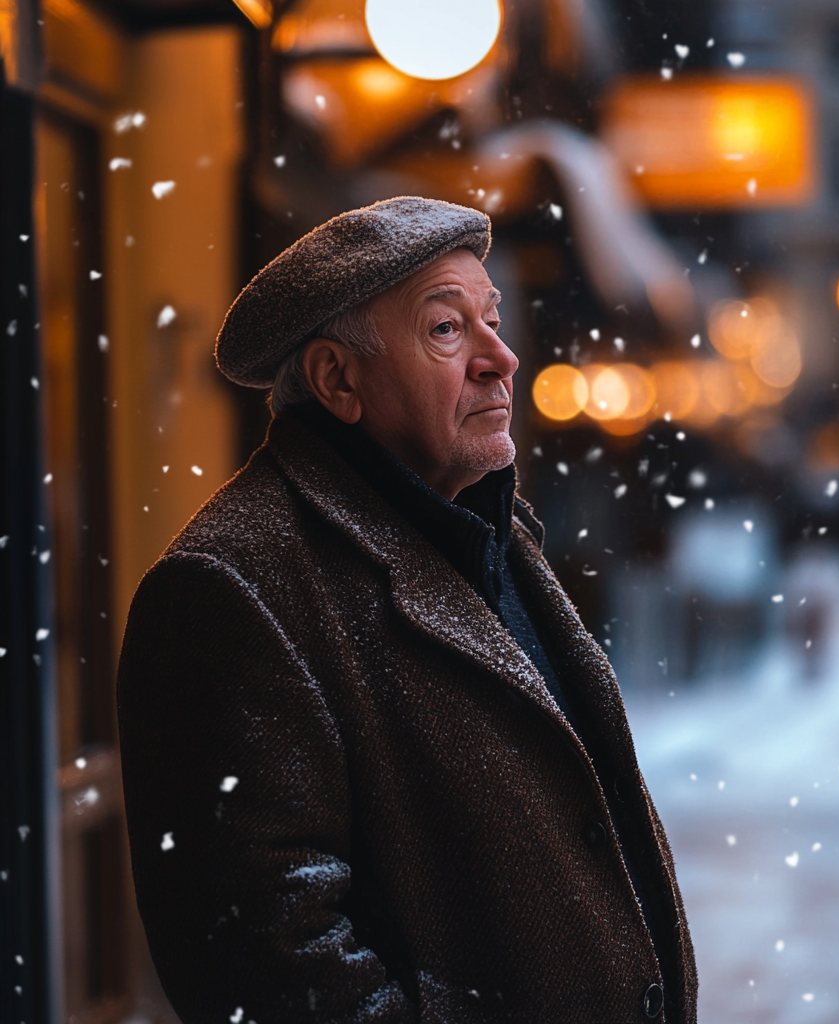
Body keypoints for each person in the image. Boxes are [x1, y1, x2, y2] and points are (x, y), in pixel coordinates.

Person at [117, 197, 697, 1024]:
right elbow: (266, 961)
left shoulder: (486, 530)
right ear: (337, 380)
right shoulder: (230, 586)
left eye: (492, 319)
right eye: (446, 330)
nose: (501, 358)